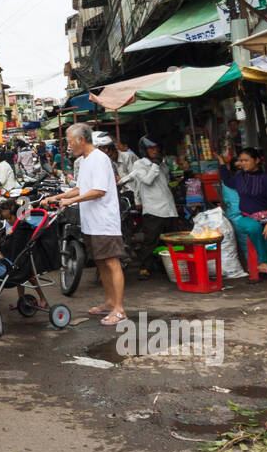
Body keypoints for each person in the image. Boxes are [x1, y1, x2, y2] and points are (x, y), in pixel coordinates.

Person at [54, 125, 126, 325]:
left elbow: (99, 191)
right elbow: (80, 188)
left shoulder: (99, 159)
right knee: (101, 263)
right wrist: (58, 196)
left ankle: (119, 309)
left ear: (81, 140)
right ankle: (110, 302)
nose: (68, 145)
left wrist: (70, 202)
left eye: (70, 141)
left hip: (104, 221)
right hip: (91, 222)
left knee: (112, 263)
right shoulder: (84, 161)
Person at [219, 147, 267, 278]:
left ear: (256, 160)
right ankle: (263, 261)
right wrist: (222, 163)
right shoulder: (239, 178)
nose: (242, 163)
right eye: (241, 161)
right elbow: (227, 180)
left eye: (246, 160)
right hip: (248, 217)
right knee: (254, 228)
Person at [120, 136, 178, 280]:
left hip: (169, 208)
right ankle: (145, 268)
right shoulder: (140, 164)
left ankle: (171, 267)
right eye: (151, 148)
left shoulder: (162, 165)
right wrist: (155, 165)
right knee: (150, 242)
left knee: (172, 240)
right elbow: (147, 180)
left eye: (156, 148)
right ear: (144, 150)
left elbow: (165, 183)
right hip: (153, 209)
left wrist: (159, 164)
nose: (154, 150)